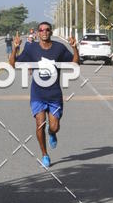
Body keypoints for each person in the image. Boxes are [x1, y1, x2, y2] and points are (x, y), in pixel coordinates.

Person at [9, 22, 78, 169]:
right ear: (38, 33)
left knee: (54, 127)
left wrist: (74, 47)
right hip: (37, 95)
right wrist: (15, 48)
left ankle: (52, 133)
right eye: (41, 30)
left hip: (54, 95)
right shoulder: (31, 48)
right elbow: (13, 64)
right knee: (40, 123)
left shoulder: (59, 48)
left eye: (47, 29)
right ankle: (45, 154)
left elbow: (75, 63)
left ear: (51, 32)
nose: (44, 32)